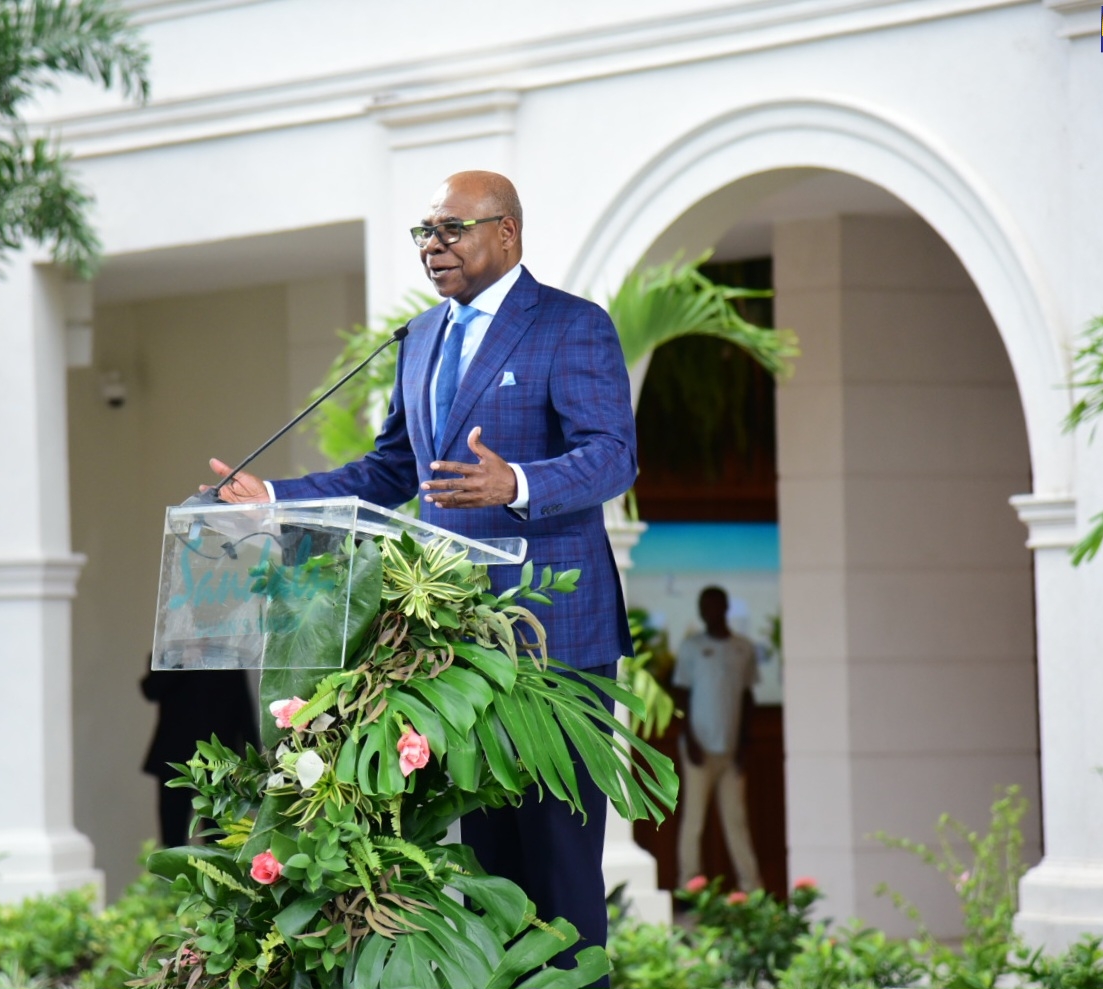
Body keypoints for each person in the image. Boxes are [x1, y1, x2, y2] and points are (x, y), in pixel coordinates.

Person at [204, 170, 637, 983]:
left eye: (452, 230)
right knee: (487, 864)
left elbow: (614, 454)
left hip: (554, 644)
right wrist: (273, 496)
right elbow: (391, 468)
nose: (434, 246)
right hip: (451, 647)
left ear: (506, 233)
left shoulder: (570, 327)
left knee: (558, 868)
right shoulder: (422, 338)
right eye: (425, 233)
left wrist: (518, 484)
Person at [670, 586, 763, 893]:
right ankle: (689, 887)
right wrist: (690, 739)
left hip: (732, 750)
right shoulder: (691, 647)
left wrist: (744, 745)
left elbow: (748, 696)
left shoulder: (743, 648)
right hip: (698, 749)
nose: (709, 612)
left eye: (714, 606)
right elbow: (681, 694)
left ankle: (752, 889)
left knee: (737, 821)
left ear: (725, 608)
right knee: (694, 821)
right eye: (704, 607)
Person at [141, 659, 257, 847]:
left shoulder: (226, 658)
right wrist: (183, 660)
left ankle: (215, 876)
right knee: (172, 837)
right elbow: (150, 689)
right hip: (175, 756)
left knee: (218, 837)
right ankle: (172, 876)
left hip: (218, 759)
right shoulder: (170, 654)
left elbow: (243, 709)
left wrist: (252, 760)